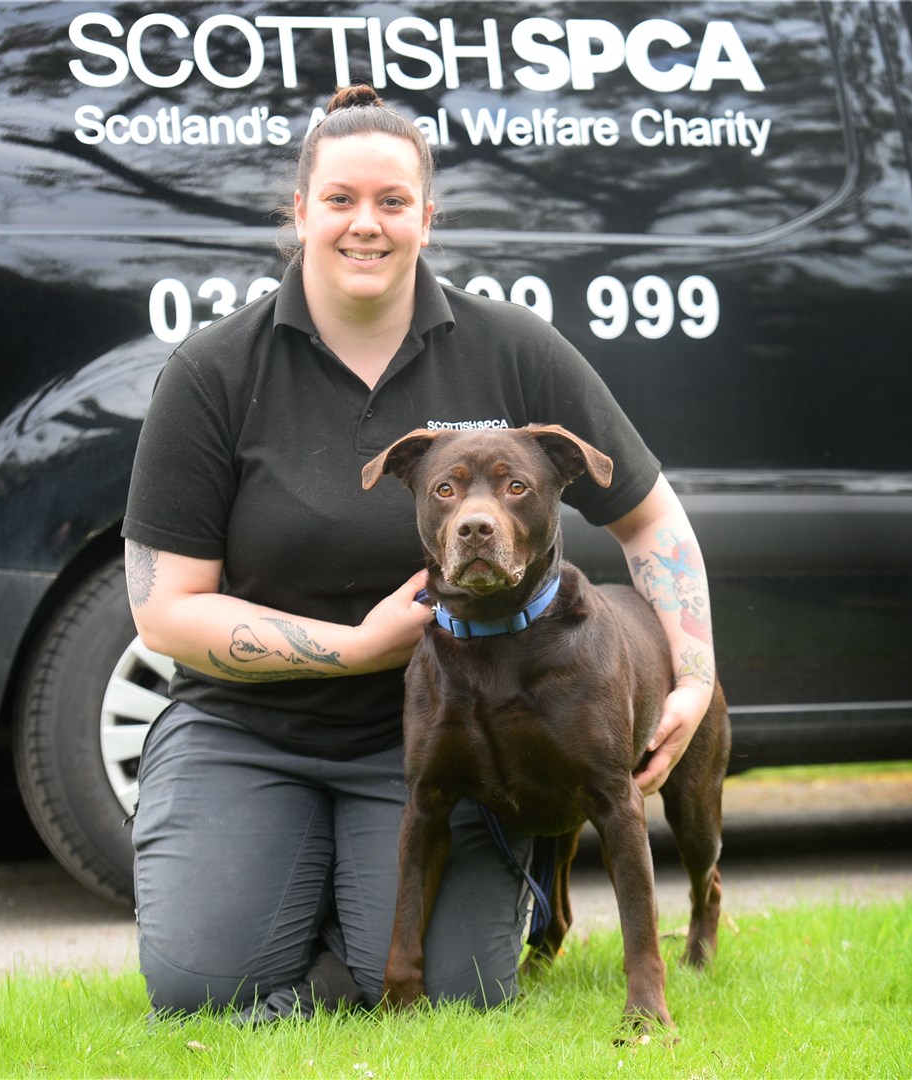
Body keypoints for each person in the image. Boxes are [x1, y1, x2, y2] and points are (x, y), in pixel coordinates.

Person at [121, 84, 716, 1022]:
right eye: (341, 200)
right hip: (247, 732)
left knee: (461, 990)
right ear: (299, 211)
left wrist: (691, 678)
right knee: (201, 985)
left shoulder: (511, 347)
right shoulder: (213, 371)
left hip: (456, 737)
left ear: (427, 217)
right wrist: (355, 648)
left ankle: (351, 938)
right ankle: (302, 904)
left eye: (393, 202)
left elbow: (652, 524)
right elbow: (163, 607)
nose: (368, 224)